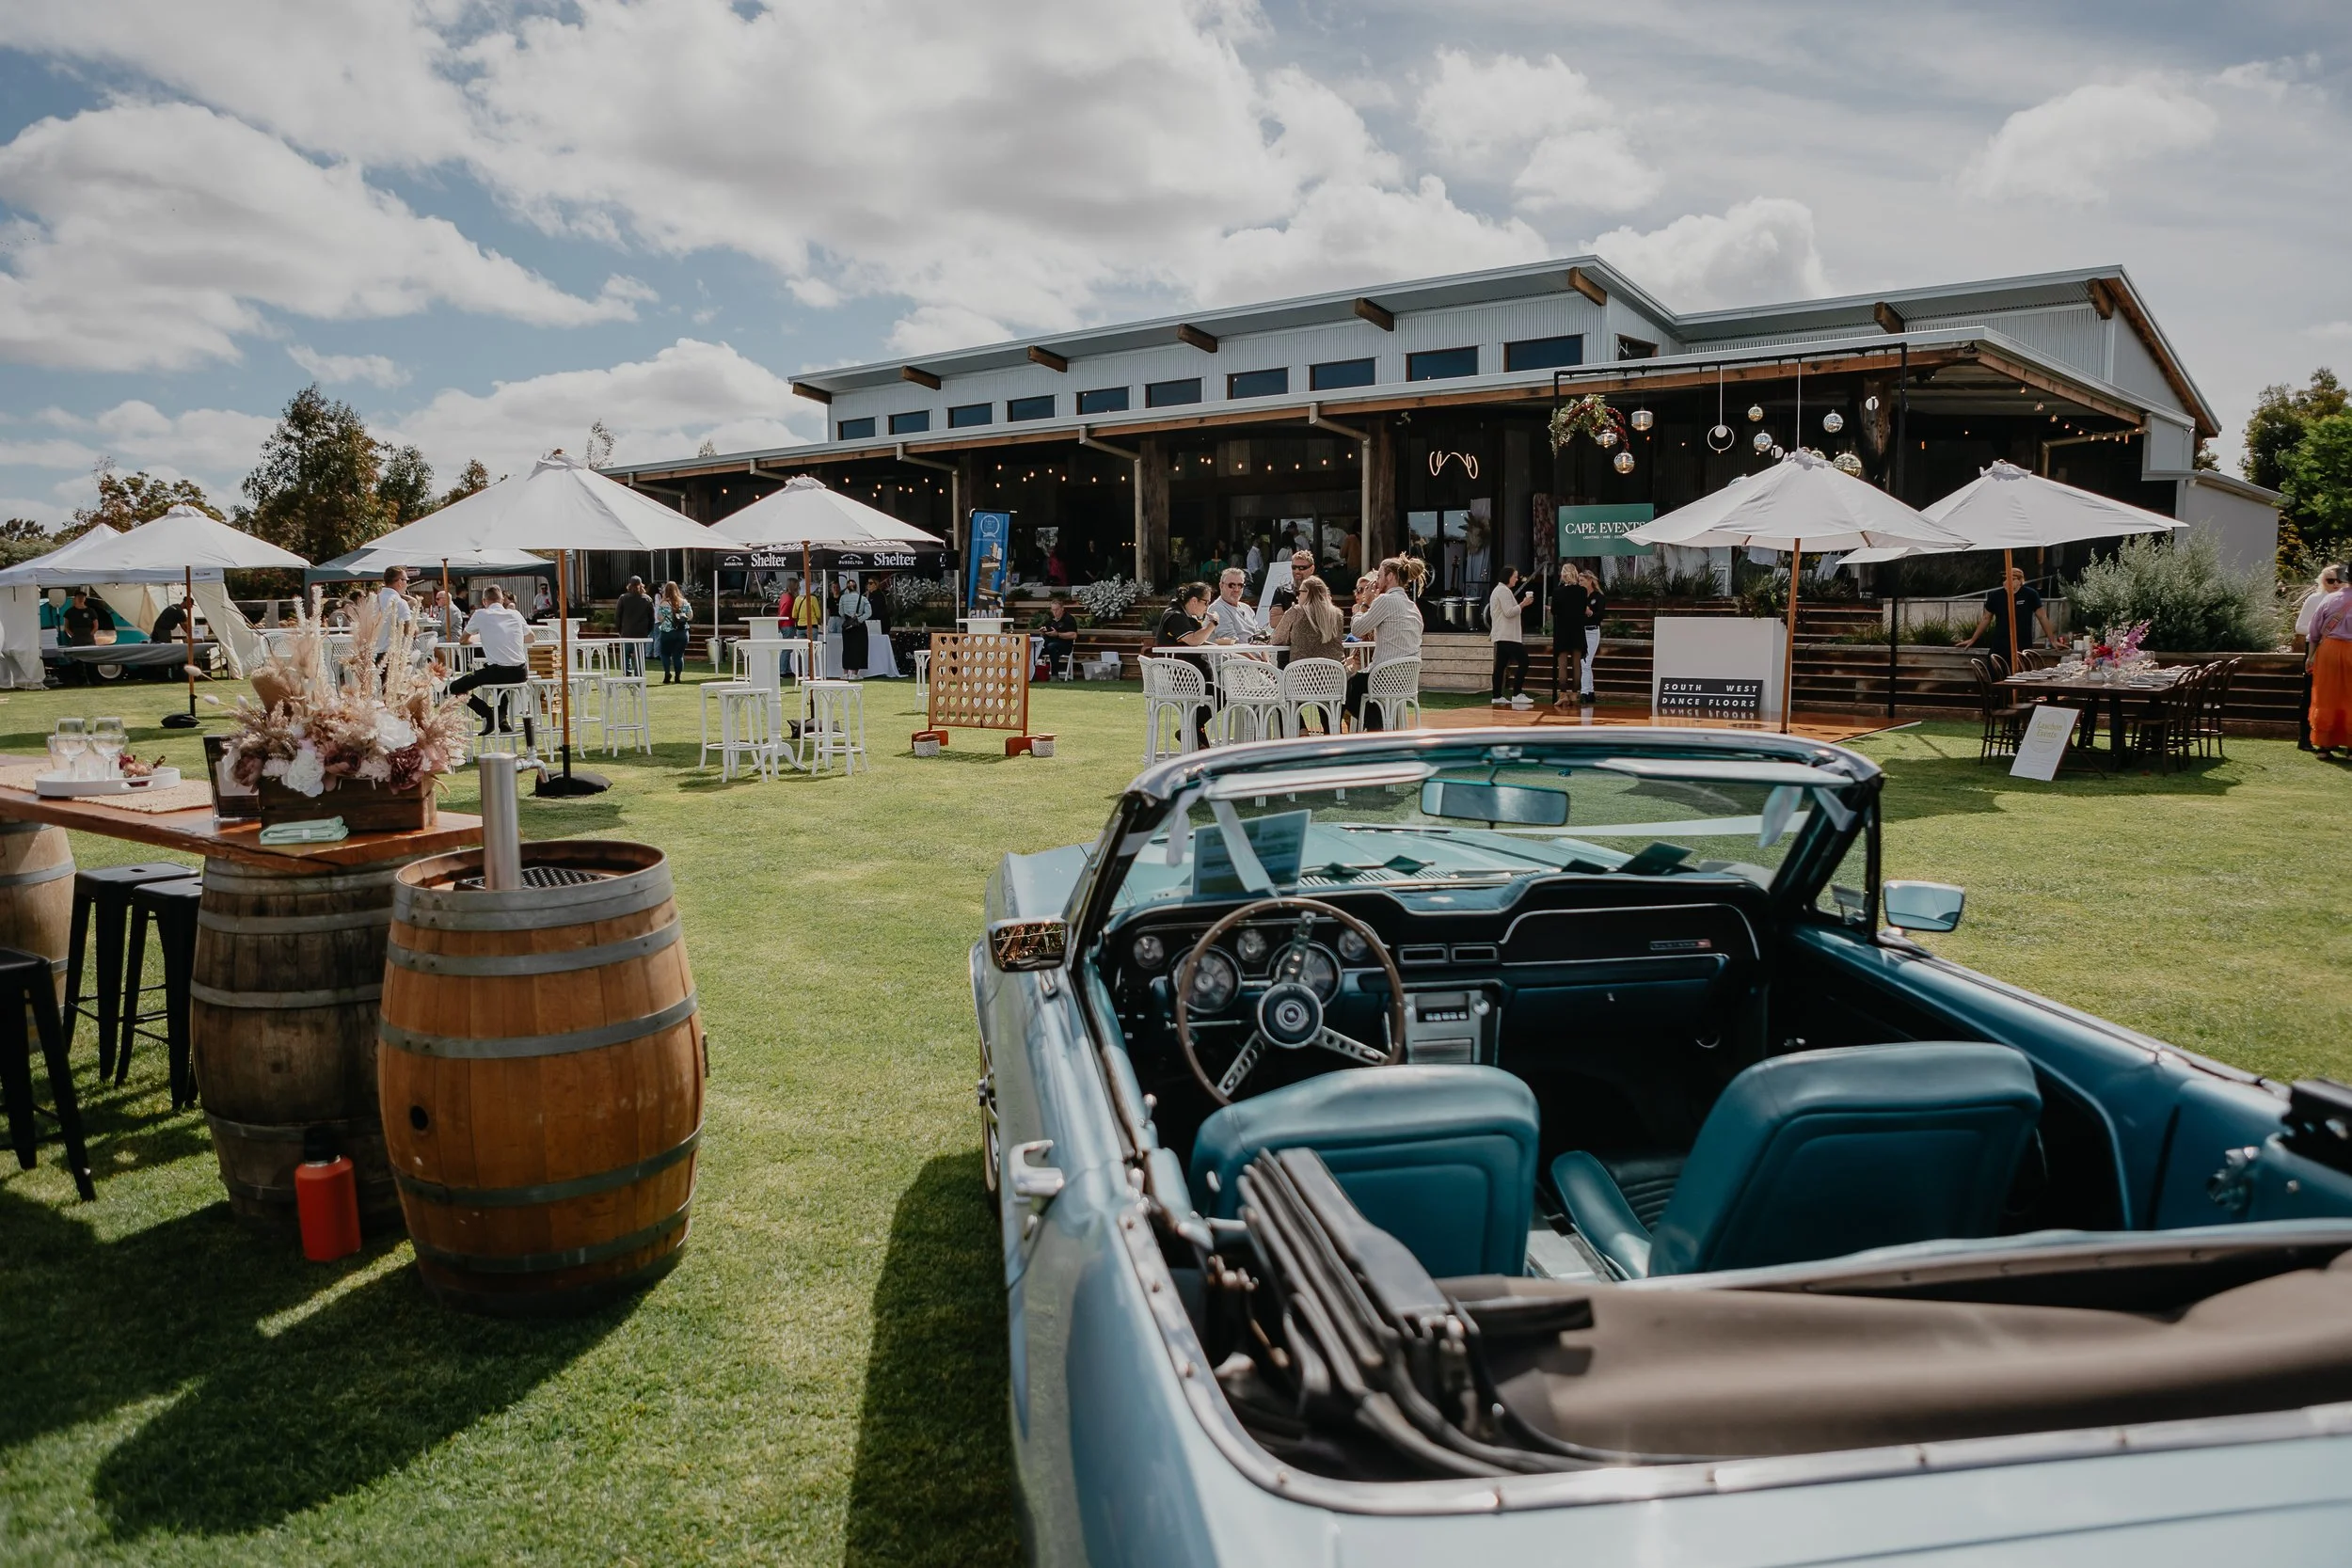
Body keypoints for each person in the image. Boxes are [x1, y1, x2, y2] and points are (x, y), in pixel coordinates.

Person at [1344, 556, 1427, 731]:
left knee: (1347, 688)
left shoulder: (1385, 601)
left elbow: (1357, 629)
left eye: (1380, 576)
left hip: (1383, 677)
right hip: (1406, 679)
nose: (1377, 581)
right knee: (1360, 685)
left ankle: (1378, 729)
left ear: (1390, 577)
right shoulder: (1412, 606)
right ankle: (1380, 727)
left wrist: (1364, 605)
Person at [452, 585, 533, 730]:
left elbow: (463, 639)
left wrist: (480, 638)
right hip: (520, 672)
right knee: (501, 680)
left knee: (455, 687)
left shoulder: (481, 614)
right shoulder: (515, 614)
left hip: (498, 672)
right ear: (502, 600)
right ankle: (502, 720)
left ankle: (488, 713)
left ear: (484, 601)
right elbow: (531, 638)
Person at [1271, 575, 1346, 732]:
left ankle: (1300, 730)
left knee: (1277, 694)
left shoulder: (1296, 611)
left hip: (1301, 681)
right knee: (1329, 697)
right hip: (1333, 681)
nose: (1298, 595)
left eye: (1301, 592)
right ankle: (1330, 730)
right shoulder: (1337, 614)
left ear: (1309, 593)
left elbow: (1277, 639)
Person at [1156, 583, 1216, 748]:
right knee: (1220, 694)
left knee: (1215, 694)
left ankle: (1192, 731)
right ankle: (1191, 730)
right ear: (1195, 601)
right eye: (1206, 602)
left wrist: (1219, 647)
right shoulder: (1175, 616)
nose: (1207, 607)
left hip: (1188, 677)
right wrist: (1213, 624)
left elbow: (1198, 641)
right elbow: (1194, 640)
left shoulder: (1184, 615)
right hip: (1182, 679)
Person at [2294, 563, 2345, 751]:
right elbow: (2300, 627)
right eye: (2330, 580)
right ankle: (2305, 737)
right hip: (2316, 647)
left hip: (2336, 648)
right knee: (2310, 692)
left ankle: (2332, 737)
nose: (2335, 584)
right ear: (2322, 581)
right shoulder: (2315, 599)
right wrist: (2323, 632)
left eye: (2339, 580)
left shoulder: (2343, 599)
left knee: (2337, 695)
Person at [1959, 565, 2057, 657]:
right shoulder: (1996, 596)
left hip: (2022, 641)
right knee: (1996, 670)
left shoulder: (2030, 594)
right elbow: (1986, 618)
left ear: (2020, 581)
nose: (2006, 582)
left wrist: (2052, 640)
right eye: (2005, 579)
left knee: (2021, 671)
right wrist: (1973, 639)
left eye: (2012, 579)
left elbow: (2042, 617)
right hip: (2000, 641)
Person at [2308, 563, 2352, 760]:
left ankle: (2325, 746)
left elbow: (2314, 631)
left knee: (2326, 696)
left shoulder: (2331, 599)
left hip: (2329, 651)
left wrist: (2311, 656)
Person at [1487, 565, 1534, 707]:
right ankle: (1517, 694)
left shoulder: (1501, 590)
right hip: (1507, 635)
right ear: (1507, 577)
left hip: (1503, 634)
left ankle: (1497, 696)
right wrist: (1523, 604)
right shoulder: (1503, 591)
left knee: (1501, 666)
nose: (1516, 579)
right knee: (1524, 661)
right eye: (1514, 576)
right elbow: (1508, 612)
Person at [1549, 562, 1589, 705]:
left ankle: (1563, 694)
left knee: (1563, 664)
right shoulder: (1582, 591)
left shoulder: (1557, 592)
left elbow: (1554, 611)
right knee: (1577, 664)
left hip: (1563, 630)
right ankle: (1574, 694)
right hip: (1577, 630)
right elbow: (1582, 608)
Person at [1204, 566, 1263, 643]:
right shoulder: (1217, 609)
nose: (1236, 590)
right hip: (1232, 654)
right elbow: (1231, 643)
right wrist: (1255, 656)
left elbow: (1259, 637)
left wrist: (1264, 655)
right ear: (1221, 586)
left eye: (1240, 585)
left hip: (1254, 653)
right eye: (1232, 585)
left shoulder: (1247, 608)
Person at [614, 575, 656, 674]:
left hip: (626, 632)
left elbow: (617, 616)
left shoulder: (623, 598)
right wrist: (647, 631)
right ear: (641, 585)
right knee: (640, 656)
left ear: (630, 585)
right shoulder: (647, 599)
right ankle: (639, 676)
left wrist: (620, 630)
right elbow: (652, 619)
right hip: (641, 633)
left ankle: (627, 674)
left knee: (625, 655)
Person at [1578, 567, 1607, 704]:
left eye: (1582, 580)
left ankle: (1584, 692)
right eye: (1579, 580)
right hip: (1581, 631)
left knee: (1585, 662)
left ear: (1590, 581)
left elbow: (1599, 616)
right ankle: (1590, 692)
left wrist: (1589, 613)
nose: (1580, 583)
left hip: (1592, 632)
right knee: (1585, 663)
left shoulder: (1598, 597)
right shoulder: (1580, 596)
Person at [1266, 548, 1315, 628]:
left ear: (1311, 569)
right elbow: (1274, 622)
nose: (1297, 571)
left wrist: (1287, 615)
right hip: (1287, 639)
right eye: (1294, 567)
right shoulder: (1282, 591)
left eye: (1302, 568)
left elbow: (1322, 619)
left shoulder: (1318, 591)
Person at [655, 580, 692, 684]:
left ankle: (667, 673)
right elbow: (690, 616)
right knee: (679, 656)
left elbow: (659, 618)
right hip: (682, 631)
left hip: (667, 632)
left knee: (665, 654)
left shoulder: (664, 603)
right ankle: (678, 676)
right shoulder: (684, 602)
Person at [837, 575, 873, 677]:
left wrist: (848, 617)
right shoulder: (862, 599)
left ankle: (845, 673)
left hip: (847, 625)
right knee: (858, 649)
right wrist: (859, 619)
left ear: (847, 588)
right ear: (856, 587)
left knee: (847, 649)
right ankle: (854, 673)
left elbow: (841, 612)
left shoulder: (843, 598)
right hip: (859, 626)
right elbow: (869, 613)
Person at [1039, 595, 1079, 676]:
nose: (1055, 612)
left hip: (1065, 645)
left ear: (1062, 609)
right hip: (1050, 642)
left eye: (1057, 610)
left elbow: (1074, 635)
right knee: (1035, 647)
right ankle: (1034, 673)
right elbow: (1045, 629)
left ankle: (1054, 675)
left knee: (1052, 646)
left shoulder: (1068, 619)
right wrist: (1043, 632)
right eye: (1053, 610)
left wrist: (1057, 634)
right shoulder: (1050, 619)